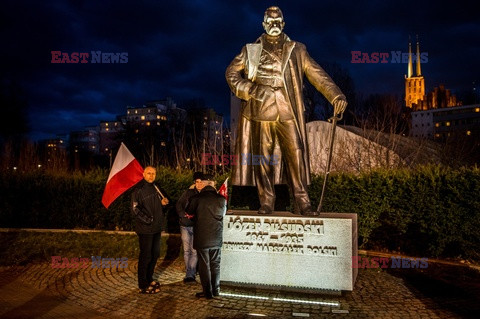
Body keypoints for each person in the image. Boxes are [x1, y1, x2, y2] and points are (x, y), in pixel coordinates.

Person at [225, 6, 348, 216]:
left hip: (287, 108)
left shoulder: (297, 49)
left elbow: (316, 74)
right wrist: (251, 89)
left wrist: (335, 94)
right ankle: (266, 202)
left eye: (278, 21)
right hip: (260, 109)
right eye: (270, 21)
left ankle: (302, 202)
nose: (274, 24)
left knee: (296, 154)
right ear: (263, 24)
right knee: (263, 158)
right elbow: (231, 73)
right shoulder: (250, 50)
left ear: (283, 23)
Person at [186, 175, 226, 299]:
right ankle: (216, 290)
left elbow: (189, 211)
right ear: (213, 185)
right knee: (215, 264)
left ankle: (207, 292)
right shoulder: (221, 199)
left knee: (204, 265)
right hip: (216, 235)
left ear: (203, 185)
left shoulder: (196, 198)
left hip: (202, 236)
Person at [131, 166, 169, 294]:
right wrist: (149, 220)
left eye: (153, 173)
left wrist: (164, 204)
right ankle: (142, 284)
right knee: (145, 256)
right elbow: (135, 210)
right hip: (145, 229)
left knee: (154, 255)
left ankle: (149, 278)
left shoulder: (156, 188)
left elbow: (161, 207)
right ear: (143, 174)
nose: (151, 176)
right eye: (149, 173)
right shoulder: (138, 190)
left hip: (156, 228)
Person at [175, 171, 205, 283]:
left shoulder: (204, 195)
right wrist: (183, 215)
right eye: (197, 182)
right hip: (185, 225)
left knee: (195, 251)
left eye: (201, 182)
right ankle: (189, 273)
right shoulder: (188, 192)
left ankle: (190, 274)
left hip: (196, 226)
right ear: (194, 183)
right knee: (187, 251)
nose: (199, 184)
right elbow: (178, 204)